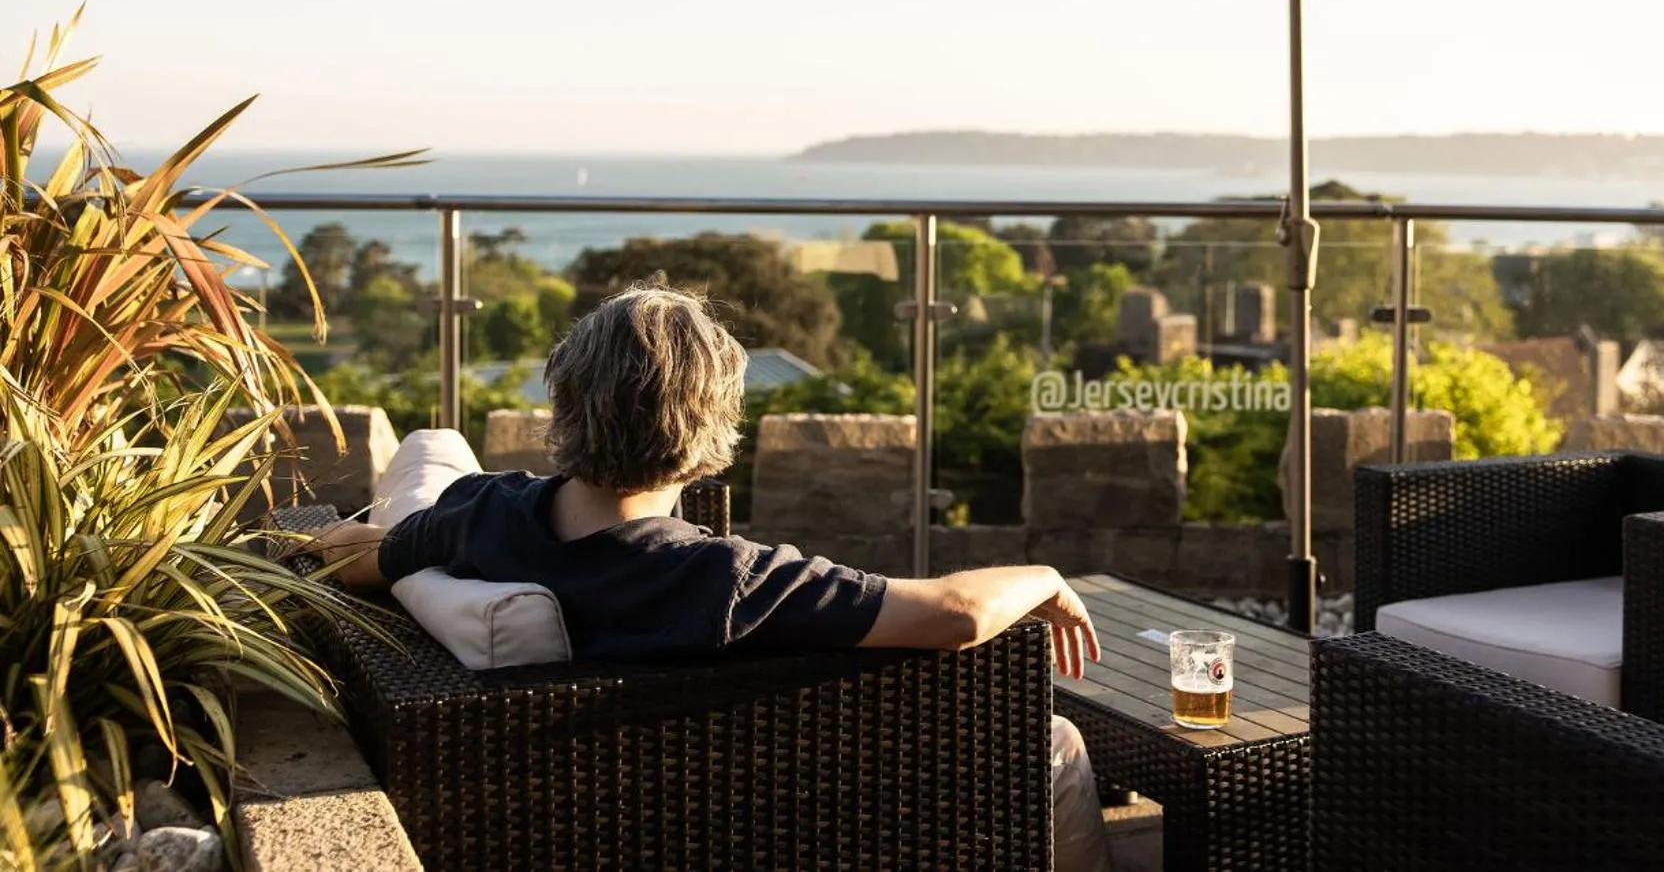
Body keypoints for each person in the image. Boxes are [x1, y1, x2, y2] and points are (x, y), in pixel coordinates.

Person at [309, 282, 1114, 871]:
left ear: (565, 401)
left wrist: (323, 543)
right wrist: (1045, 574)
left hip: (589, 814)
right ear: (711, 428)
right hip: (772, 809)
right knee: (1053, 740)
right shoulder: (723, 578)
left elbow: (363, 557)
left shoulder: (483, 513)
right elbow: (958, 613)